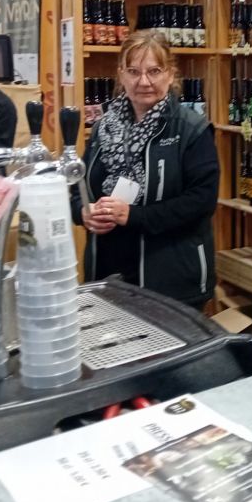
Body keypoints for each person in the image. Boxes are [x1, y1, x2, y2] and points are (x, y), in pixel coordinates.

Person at [71, 30, 219, 308]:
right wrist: (84, 212)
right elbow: (77, 187)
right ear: (121, 75)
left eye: (154, 71)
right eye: (133, 71)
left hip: (171, 282)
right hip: (107, 276)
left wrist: (133, 215)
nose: (144, 81)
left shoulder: (190, 129)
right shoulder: (104, 128)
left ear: (170, 75)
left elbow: (201, 202)